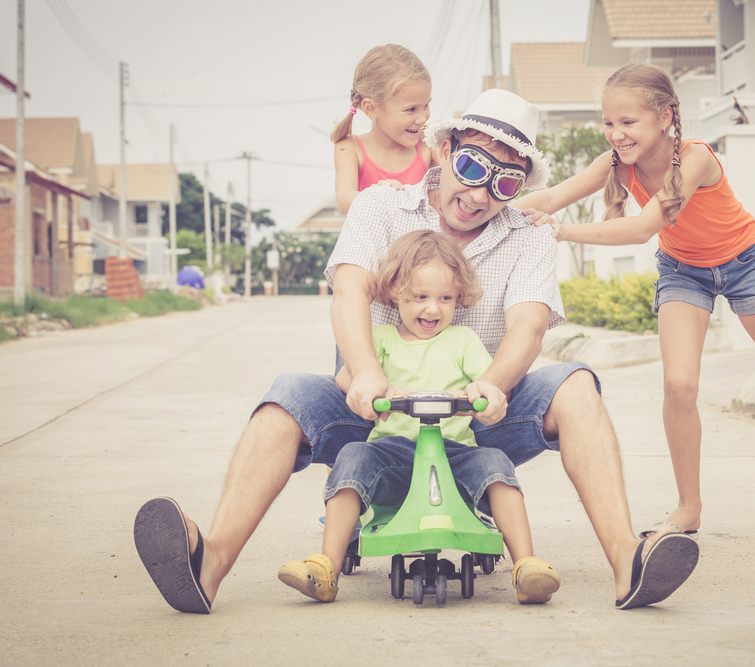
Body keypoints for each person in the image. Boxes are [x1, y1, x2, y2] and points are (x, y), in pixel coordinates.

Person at [133, 88, 699, 616]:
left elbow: (528, 327)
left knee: (575, 384)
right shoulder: (381, 206)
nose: (478, 195)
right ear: (445, 150)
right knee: (286, 396)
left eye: (504, 184)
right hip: (377, 414)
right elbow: (349, 291)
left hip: (474, 419)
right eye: (471, 168)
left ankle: (628, 561)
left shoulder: (528, 233)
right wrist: (365, 374)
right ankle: (209, 563)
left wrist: (492, 384)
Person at [518, 63, 755, 552]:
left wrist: (564, 231)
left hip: (744, 265)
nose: (616, 133)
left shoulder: (695, 158)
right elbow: (553, 195)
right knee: (678, 386)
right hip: (683, 272)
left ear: (665, 117)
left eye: (628, 122)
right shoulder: (616, 164)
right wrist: (494, 206)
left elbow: (643, 227)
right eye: (609, 122)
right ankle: (688, 508)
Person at [277, 230, 560, 605]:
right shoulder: (382, 340)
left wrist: (486, 398)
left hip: (453, 453)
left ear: (459, 297)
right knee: (352, 456)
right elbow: (348, 378)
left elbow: (488, 384)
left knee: (495, 462)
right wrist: (373, 386)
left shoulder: (462, 341)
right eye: (420, 297)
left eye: (445, 298)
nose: (433, 309)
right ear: (395, 293)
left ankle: (526, 565)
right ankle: (326, 565)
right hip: (392, 455)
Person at [332, 44, 437, 214]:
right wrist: (380, 196)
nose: (423, 118)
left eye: (426, 105)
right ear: (371, 108)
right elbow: (343, 199)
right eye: (411, 109)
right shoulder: (349, 147)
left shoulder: (429, 142)